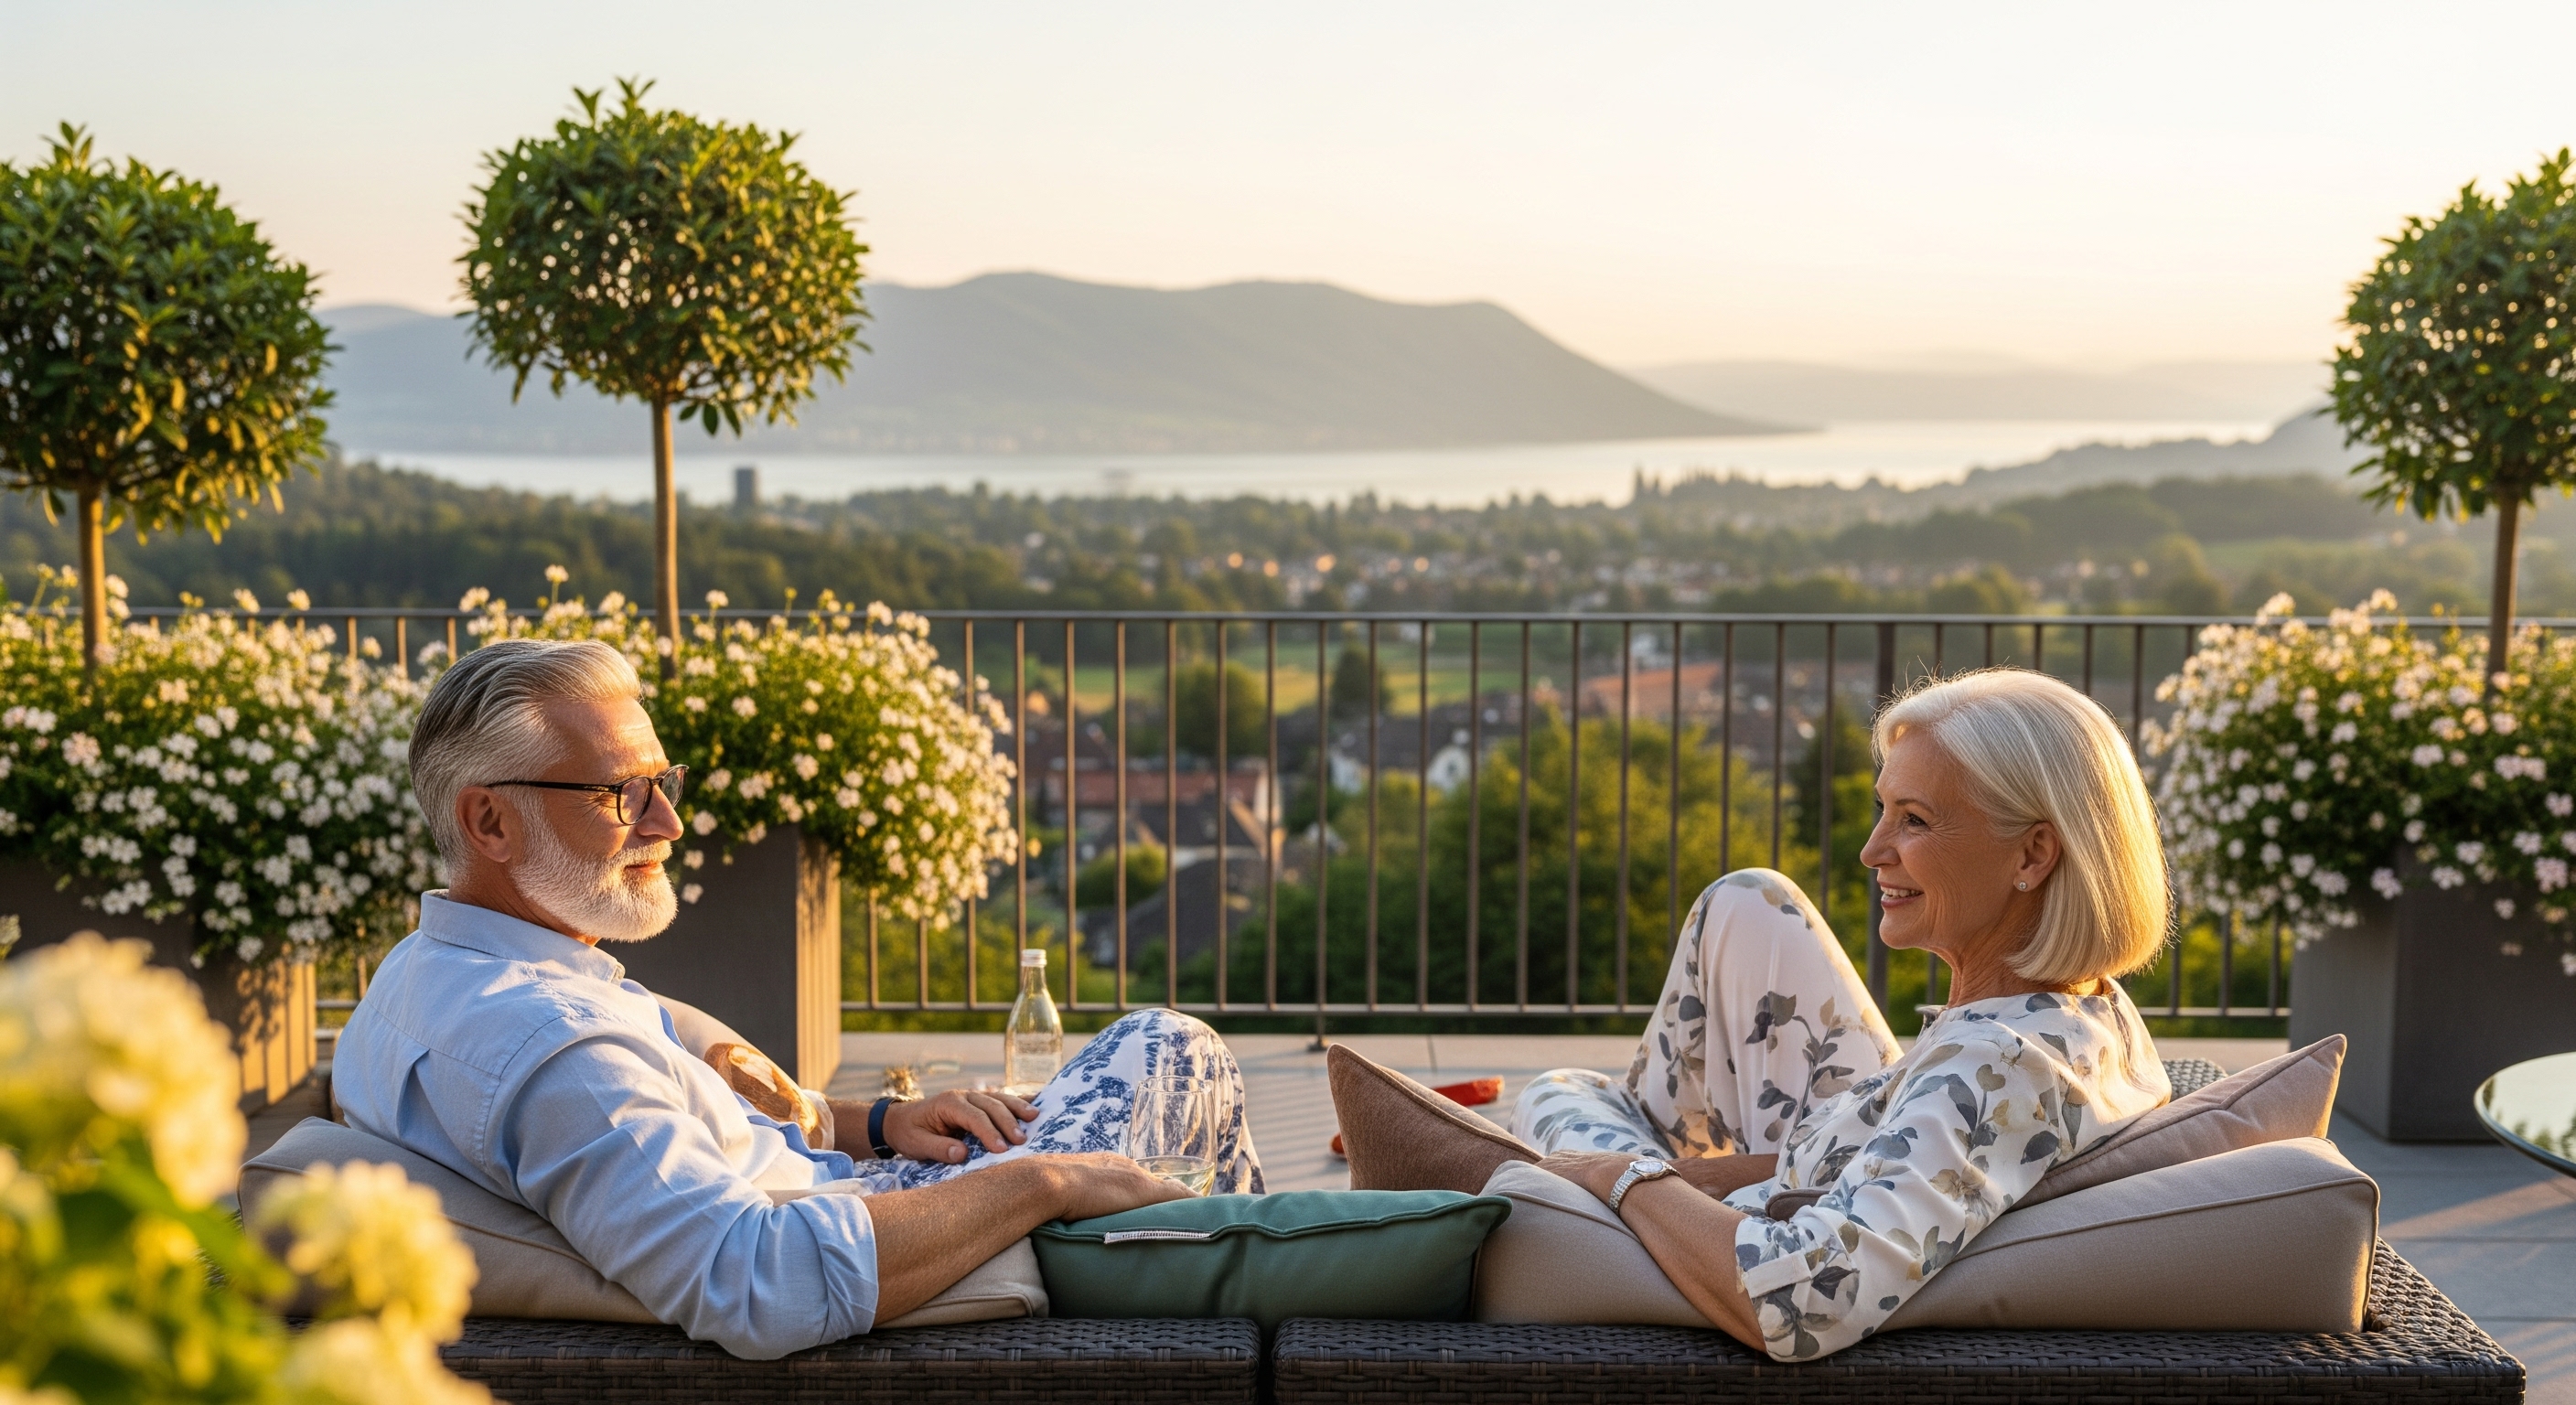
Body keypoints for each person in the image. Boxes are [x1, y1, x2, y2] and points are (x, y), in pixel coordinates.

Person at [333, 638, 1261, 1359]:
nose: (667, 821)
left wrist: (881, 1119)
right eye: (621, 793)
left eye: (663, 782)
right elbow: (756, 1284)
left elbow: (689, 1135)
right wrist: (1041, 1181)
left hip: (851, 1179)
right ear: (488, 820)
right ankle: (1269, 1307)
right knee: (1170, 1052)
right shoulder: (548, 1050)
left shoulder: (425, 976)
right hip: (862, 1238)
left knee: (1157, 1055)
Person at [1509, 668, 2172, 1361]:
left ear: (2034, 853)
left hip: (1742, 1254)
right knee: (1747, 900)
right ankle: (1647, 1139)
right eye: (1883, 810)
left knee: (1561, 1095)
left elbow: (1804, 1301)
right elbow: (1880, 1175)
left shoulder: (1997, 1067)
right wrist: (1701, 1181)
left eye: (1913, 820)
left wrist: (1623, 1178)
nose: (1871, 850)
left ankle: (1629, 1143)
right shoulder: (2091, 1012)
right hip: (1812, 1168)